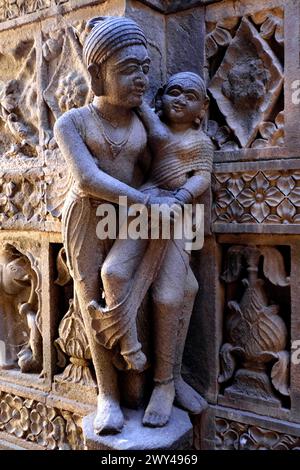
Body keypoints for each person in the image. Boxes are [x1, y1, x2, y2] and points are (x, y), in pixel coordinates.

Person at [54, 16, 178, 434]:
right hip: (88, 215)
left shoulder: (139, 117)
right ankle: (107, 395)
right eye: (128, 70)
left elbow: (164, 150)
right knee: (91, 300)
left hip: (132, 215)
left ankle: (151, 371)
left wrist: (141, 101)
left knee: (130, 282)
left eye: (145, 68)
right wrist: (145, 200)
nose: (141, 78)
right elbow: (87, 177)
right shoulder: (72, 122)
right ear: (96, 74)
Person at [90, 72, 214, 427]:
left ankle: (164, 384)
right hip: (144, 206)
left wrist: (181, 198)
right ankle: (130, 348)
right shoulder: (150, 131)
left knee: (169, 296)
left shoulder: (199, 141)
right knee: (112, 272)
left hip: (178, 215)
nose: (179, 99)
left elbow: (202, 178)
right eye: (172, 92)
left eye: (189, 96)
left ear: (201, 109)